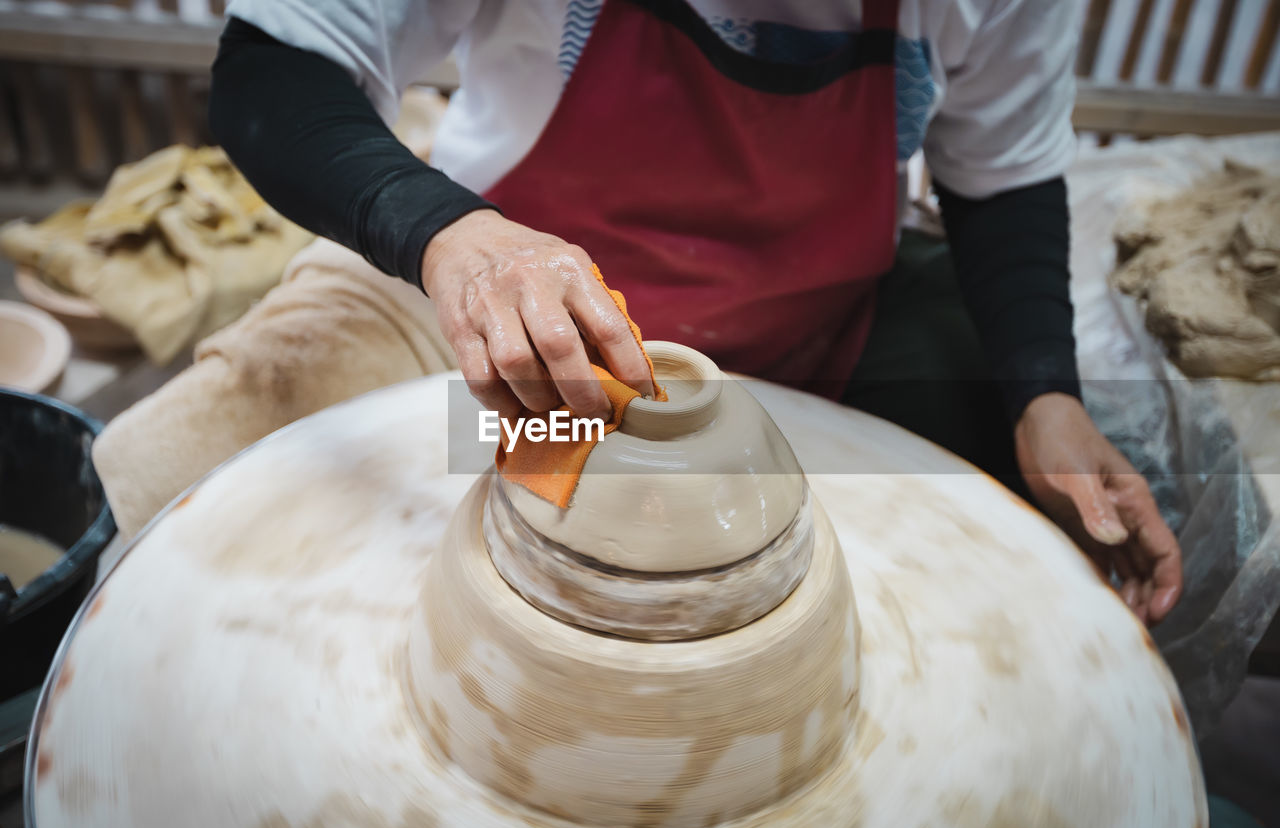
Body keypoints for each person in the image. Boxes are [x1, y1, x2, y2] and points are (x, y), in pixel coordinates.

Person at [208, 0, 1182, 625]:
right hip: (489, 308)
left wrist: (1043, 396)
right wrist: (450, 237)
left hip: (805, 323)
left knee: (1033, 545)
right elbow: (273, 71)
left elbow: (1001, 176)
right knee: (222, 446)